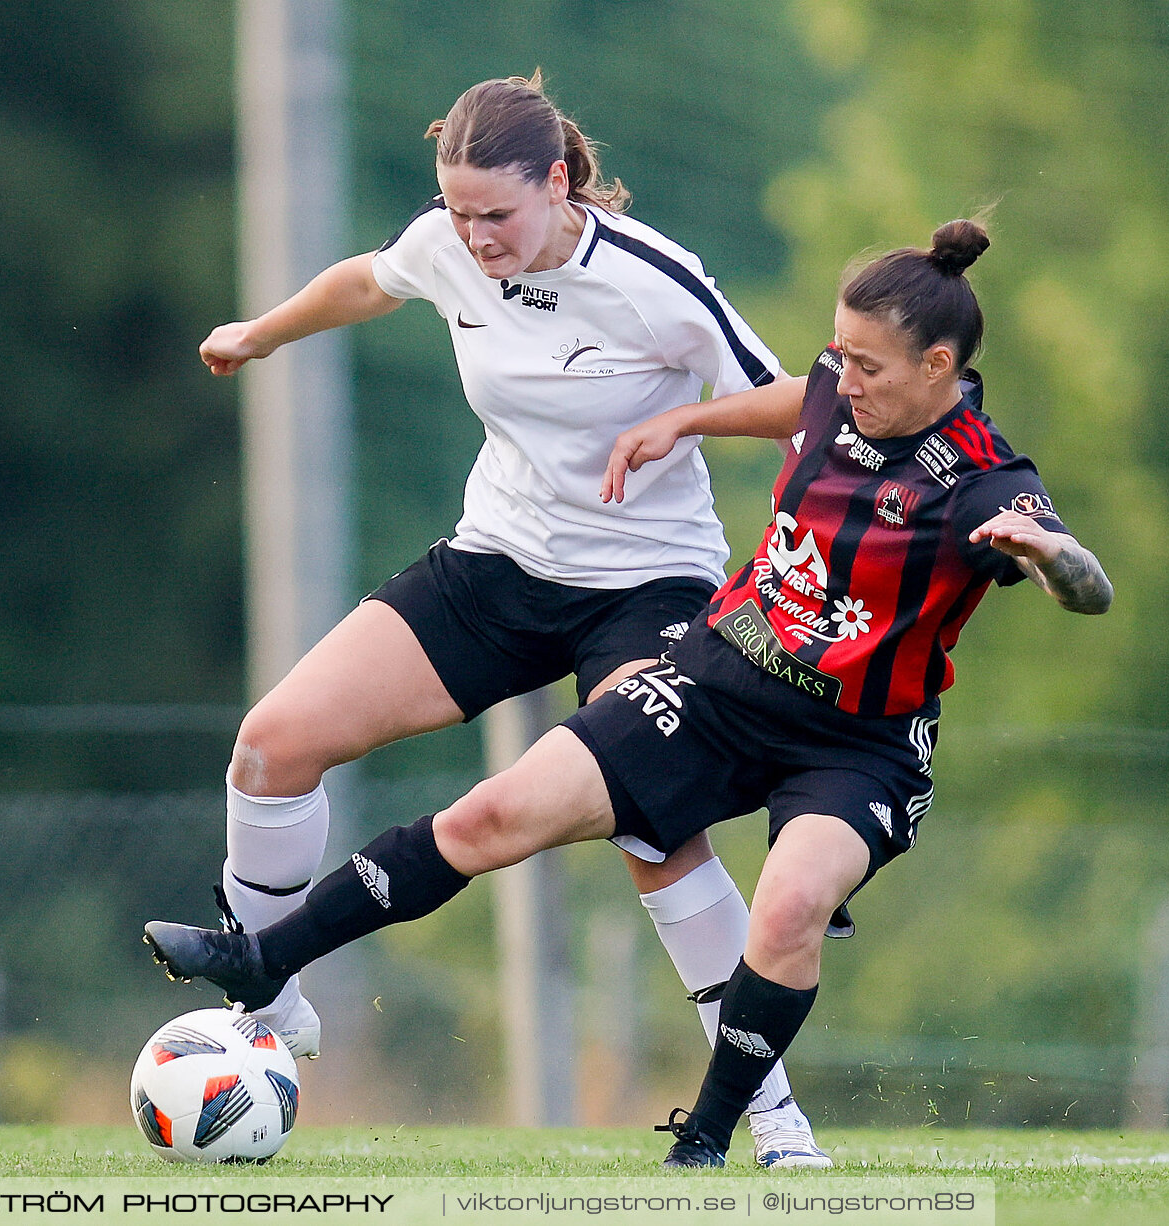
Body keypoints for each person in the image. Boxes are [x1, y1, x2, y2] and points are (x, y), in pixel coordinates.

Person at [148, 218, 1113, 1167]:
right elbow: (790, 403)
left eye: (869, 366)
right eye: (838, 355)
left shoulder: (987, 482)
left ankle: (718, 1135)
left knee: (784, 910)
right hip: (717, 682)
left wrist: (1051, 558)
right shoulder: (835, 395)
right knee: (491, 814)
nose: (841, 377)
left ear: (939, 366)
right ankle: (265, 959)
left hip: (853, 746)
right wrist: (683, 418)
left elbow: (1085, 581)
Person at [197, 71, 828, 1165]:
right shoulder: (446, 242)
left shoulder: (655, 279)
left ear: (560, 180)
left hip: (649, 586)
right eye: (457, 211)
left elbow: (797, 402)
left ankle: (771, 1113)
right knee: (270, 745)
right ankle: (272, 1000)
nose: (473, 235)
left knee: (655, 834)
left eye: (497, 213)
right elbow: (369, 280)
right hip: (496, 563)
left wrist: (731, 470)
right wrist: (262, 331)